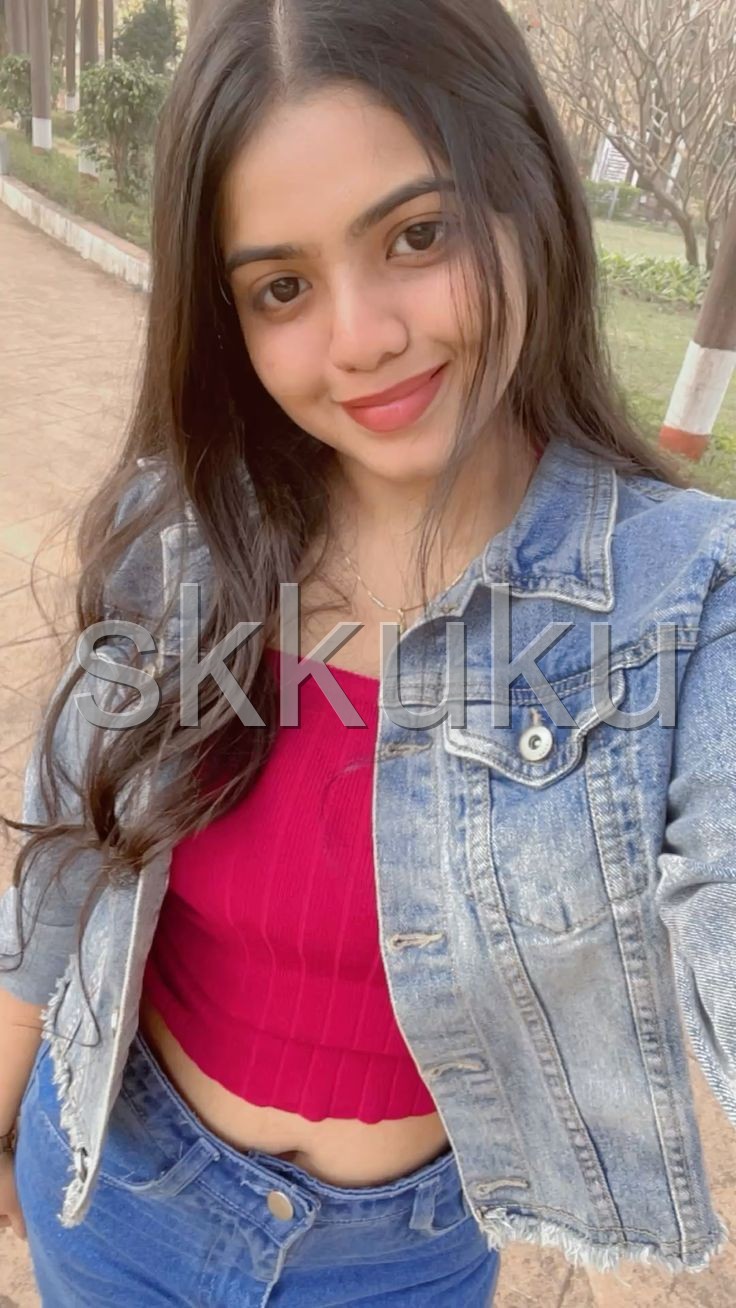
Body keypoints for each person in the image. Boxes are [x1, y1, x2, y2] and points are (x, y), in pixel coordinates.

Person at [1, 0, 735, 1301]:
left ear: (529, 196)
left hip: (399, 1265)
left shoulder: (683, 604)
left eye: (418, 234)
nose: (363, 338)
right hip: (112, 1190)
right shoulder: (179, 535)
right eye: (281, 288)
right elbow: (64, 854)